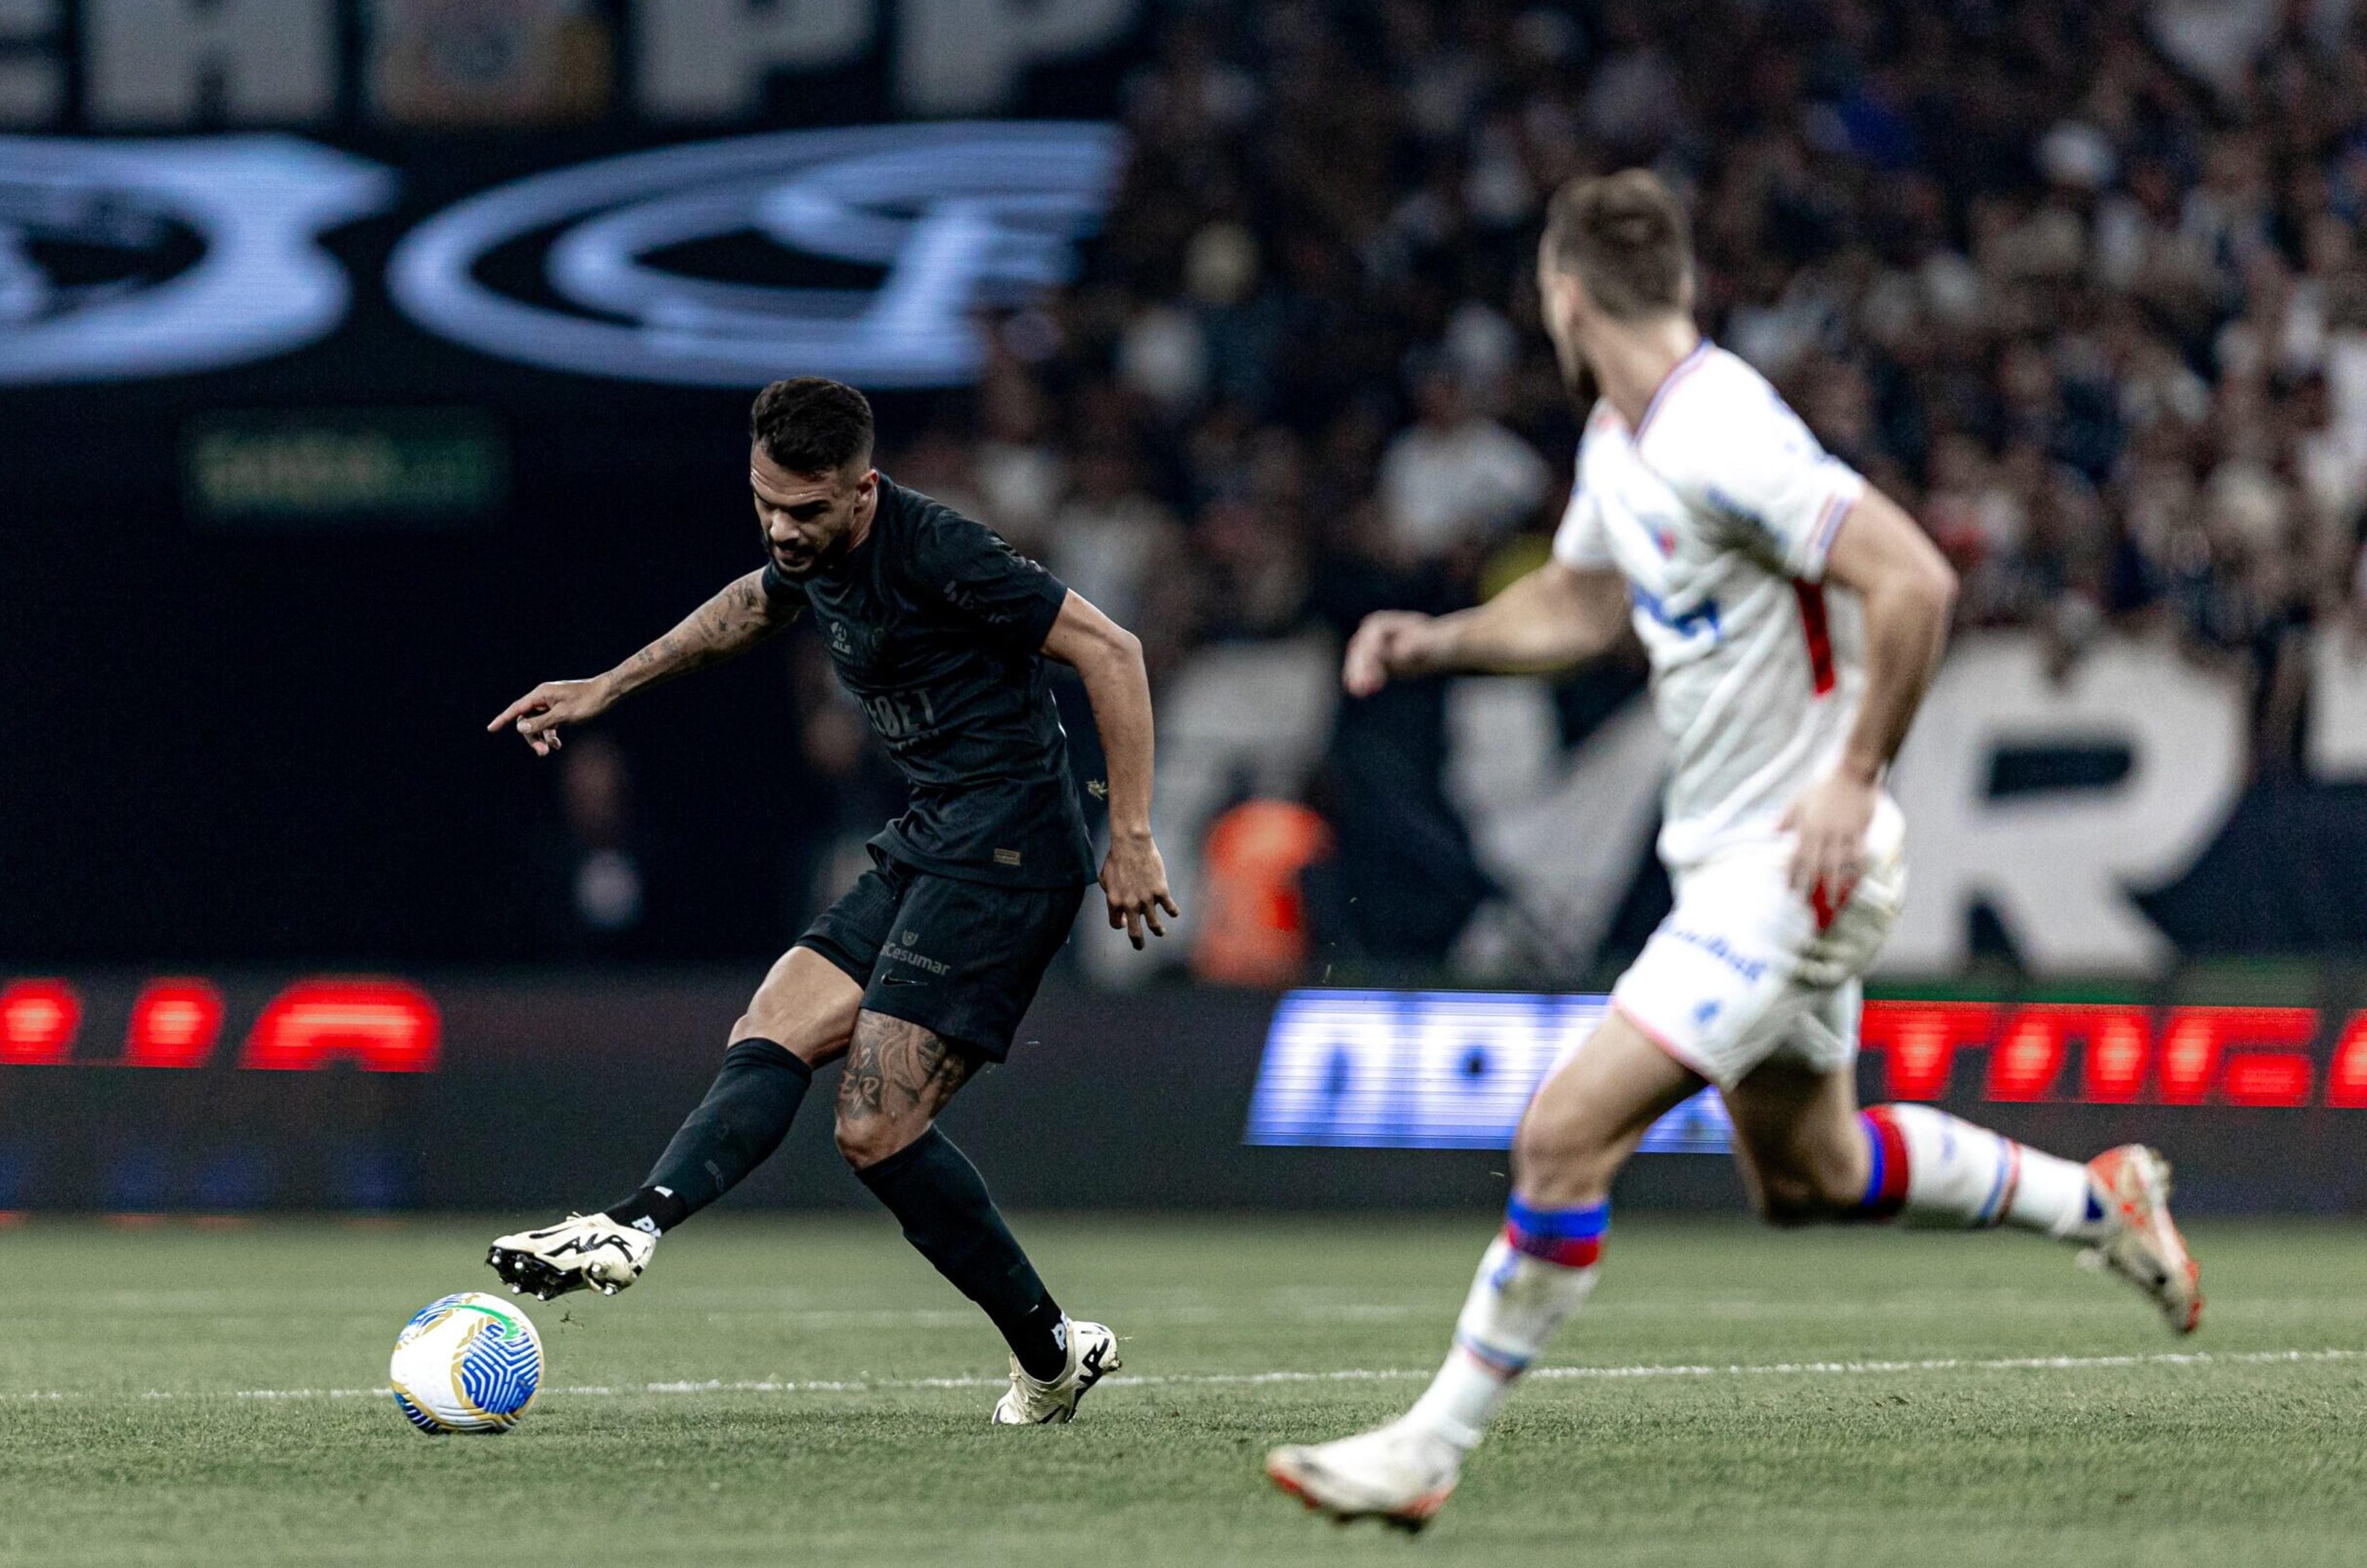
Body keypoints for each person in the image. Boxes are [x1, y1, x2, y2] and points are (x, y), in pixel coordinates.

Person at [1263, 171, 2202, 1529]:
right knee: (1808, 1175)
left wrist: (1854, 773)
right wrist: (1439, 643)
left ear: (1566, 295)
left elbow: (1917, 580)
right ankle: (2099, 1201)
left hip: (1795, 861)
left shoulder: (1726, 432)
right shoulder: (1618, 438)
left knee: (1563, 1135)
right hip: (1729, 862)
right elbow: (1585, 601)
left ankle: (1429, 1446)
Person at [484, 376, 1177, 1425]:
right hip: (930, 835)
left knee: (873, 1127)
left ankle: (1048, 1350)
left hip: (1011, 852)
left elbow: (1111, 651)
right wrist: (606, 687)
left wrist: (1128, 835)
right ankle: (631, 1227)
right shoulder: (803, 553)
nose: (782, 528)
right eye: (766, 502)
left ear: (866, 491)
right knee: (770, 1023)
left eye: (807, 510)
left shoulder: (940, 550)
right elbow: (747, 608)